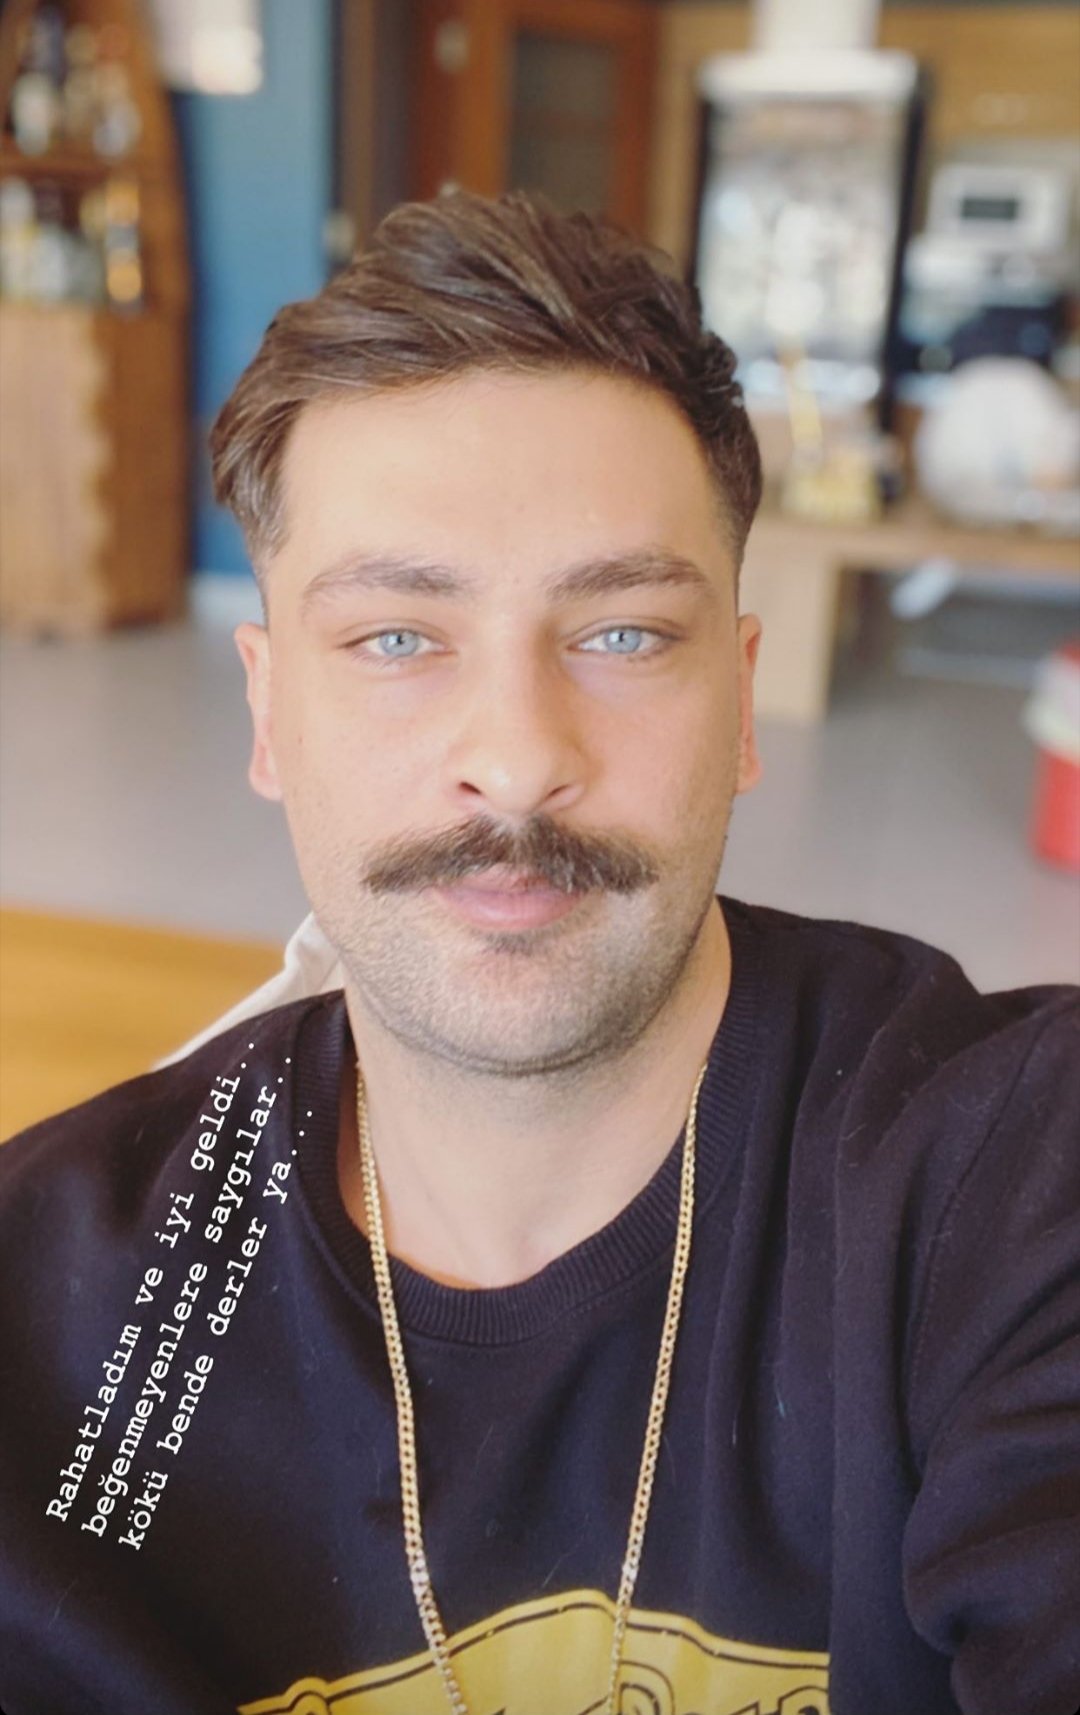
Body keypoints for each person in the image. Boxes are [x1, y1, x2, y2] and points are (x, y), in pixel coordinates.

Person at [0, 191, 1077, 1715]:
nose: (515, 762)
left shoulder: (1016, 1177)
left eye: (623, 633)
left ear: (741, 700)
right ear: (268, 711)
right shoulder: (44, 1305)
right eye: (395, 637)